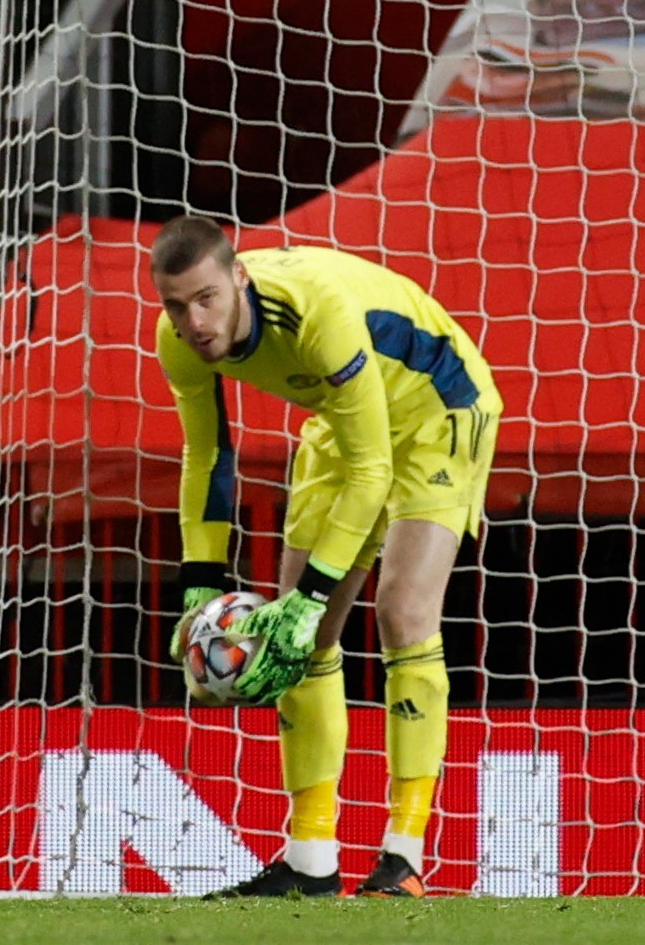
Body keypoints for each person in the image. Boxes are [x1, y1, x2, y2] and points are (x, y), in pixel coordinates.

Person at [149, 216, 503, 900]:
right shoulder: (178, 342)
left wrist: (310, 596)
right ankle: (309, 857)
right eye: (174, 303)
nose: (192, 321)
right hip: (343, 421)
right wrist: (199, 585)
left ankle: (403, 857)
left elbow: (374, 469)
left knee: (400, 609)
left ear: (237, 278)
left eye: (205, 299)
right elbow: (206, 455)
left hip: (437, 402)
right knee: (300, 639)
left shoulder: (316, 313)